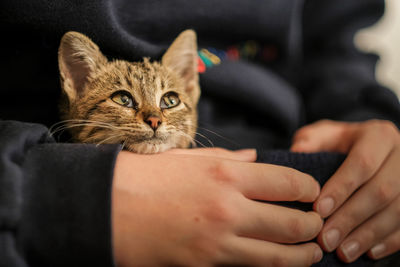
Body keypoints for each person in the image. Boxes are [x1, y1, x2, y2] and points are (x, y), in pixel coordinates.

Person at [0, 0, 399, 266]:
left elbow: (333, 41)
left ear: (190, 86)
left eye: (169, 100)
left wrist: (363, 111)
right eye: (124, 99)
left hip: (300, 151)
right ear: (78, 81)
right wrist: (65, 198)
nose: (153, 117)